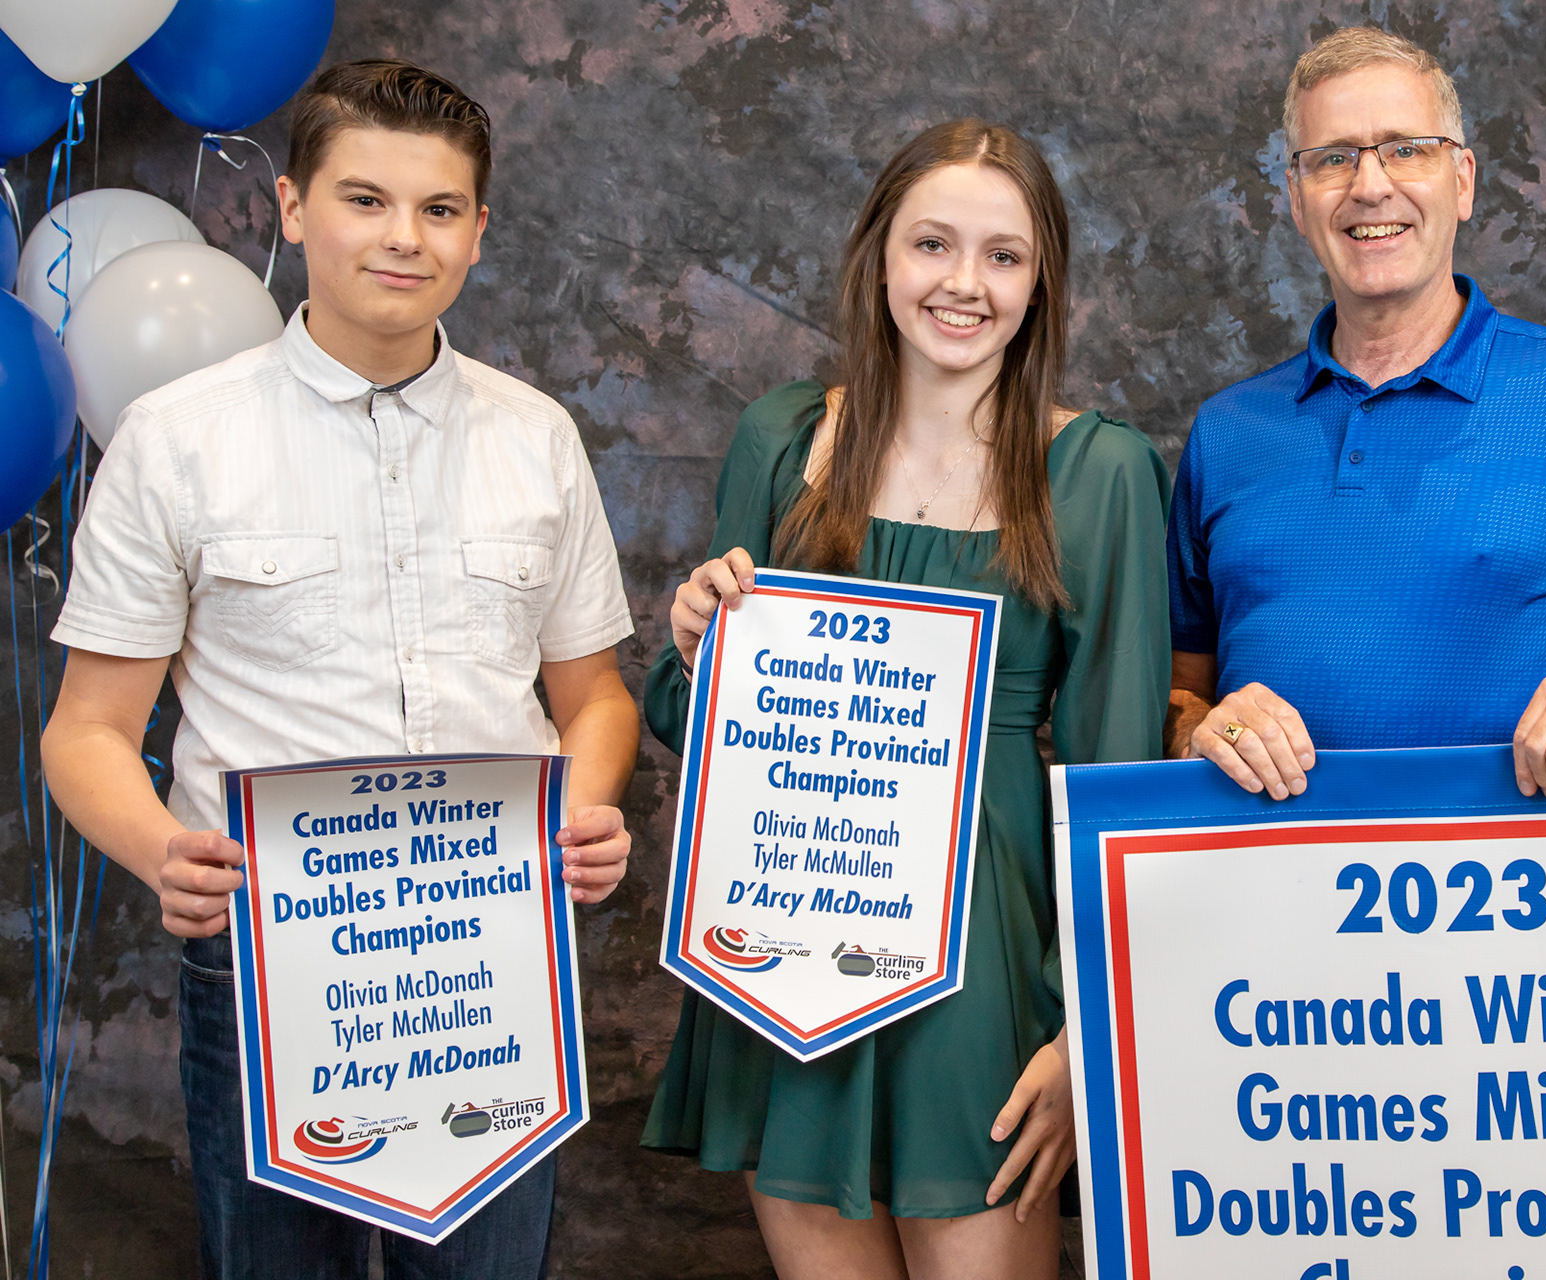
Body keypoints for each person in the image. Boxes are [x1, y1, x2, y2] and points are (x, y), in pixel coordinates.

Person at [40, 60, 639, 1278]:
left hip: (490, 955)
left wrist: (580, 813)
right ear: (293, 207)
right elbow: (86, 729)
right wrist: (162, 848)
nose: (403, 237)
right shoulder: (177, 440)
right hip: (266, 955)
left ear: (479, 230)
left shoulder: (538, 436)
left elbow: (595, 698)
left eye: (438, 208)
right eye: (365, 199)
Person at [641, 120, 1170, 1279]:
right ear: (879, 253)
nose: (962, 283)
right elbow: (692, 727)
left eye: (1003, 255)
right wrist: (692, 647)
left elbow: (1120, 777)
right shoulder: (782, 438)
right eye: (933, 243)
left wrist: (1084, 1029)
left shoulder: (1100, 474)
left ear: (1041, 282)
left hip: (987, 968)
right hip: (788, 941)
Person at [1166, 26, 1546, 797]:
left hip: (1522, 871)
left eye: (1406, 149)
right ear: (1297, 200)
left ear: (1462, 181)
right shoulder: (1227, 433)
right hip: (1276, 866)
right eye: (1333, 158)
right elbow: (1180, 690)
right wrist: (1197, 726)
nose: (1370, 186)